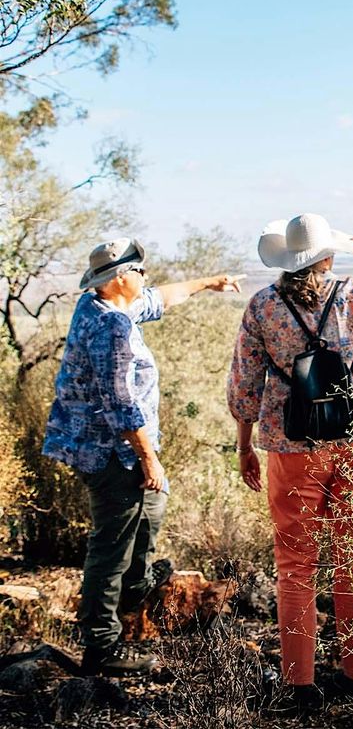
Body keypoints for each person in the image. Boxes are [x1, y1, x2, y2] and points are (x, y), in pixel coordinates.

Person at [227, 213, 353, 712]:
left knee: (295, 565)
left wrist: (244, 445)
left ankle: (299, 687)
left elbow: (244, 387)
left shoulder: (263, 306)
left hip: (291, 445)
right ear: (328, 256)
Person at [42, 238, 244, 676]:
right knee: (111, 547)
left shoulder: (107, 306)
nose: (145, 276)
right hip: (112, 452)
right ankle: (101, 647)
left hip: (117, 449)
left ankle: (136, 586)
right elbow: (119, 402)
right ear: (119, 278)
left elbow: (160, 298)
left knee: (151, 512)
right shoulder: (111, 326)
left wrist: (211, 281)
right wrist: (148, 458)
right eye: (138, 271)